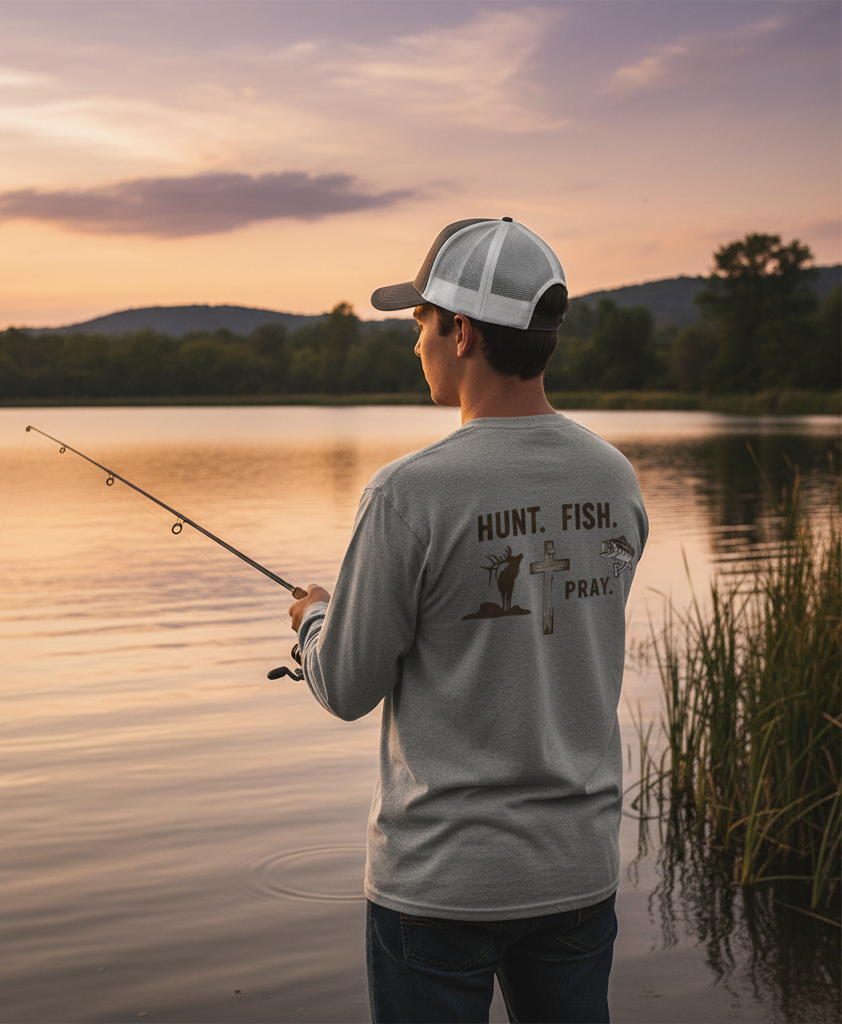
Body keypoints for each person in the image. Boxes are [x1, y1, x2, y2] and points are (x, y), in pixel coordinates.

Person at [288, 217, 648, 1024]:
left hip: (442, 884)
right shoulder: (616, 479)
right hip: (576, 875)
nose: (412, 342)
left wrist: (317, 621)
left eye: (418, 323)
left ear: (461, 333)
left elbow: (346, 687)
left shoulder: (409, 493)